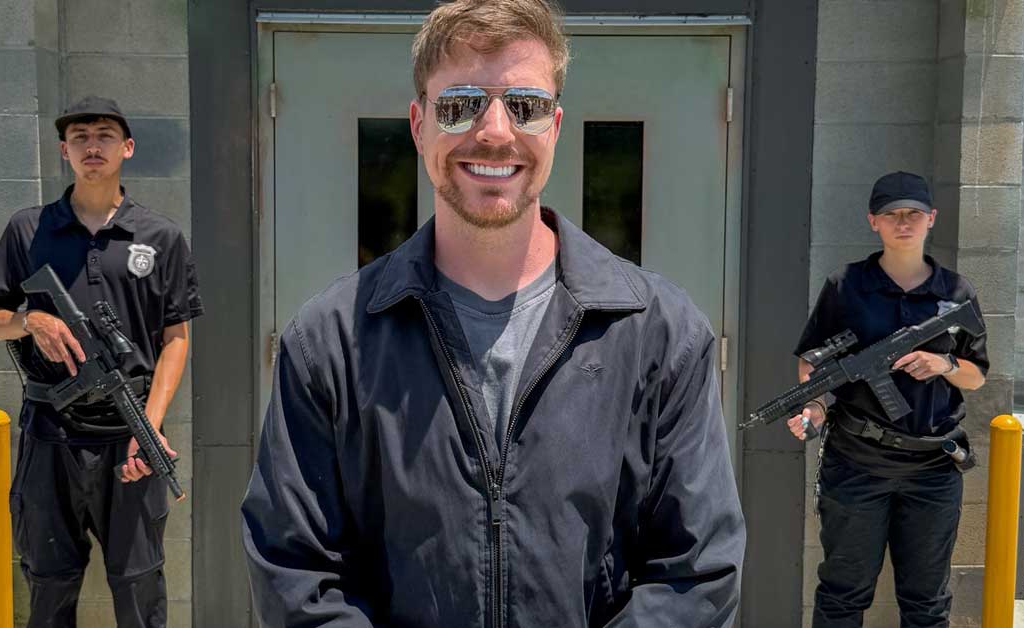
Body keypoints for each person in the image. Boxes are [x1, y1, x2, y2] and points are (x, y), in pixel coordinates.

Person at [241, 0, 745, 626]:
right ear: (418, 124)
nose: (495, 132)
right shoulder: (328, 342)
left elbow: (697, 572)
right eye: (459, 103)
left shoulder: (660, 333)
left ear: (555, 126)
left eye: (525, 105)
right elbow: (295, 574)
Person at [0, 96, 203, 628]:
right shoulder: (29, 229)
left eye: (103, 134)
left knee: (141, 583)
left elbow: (176, 339)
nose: (91, 145)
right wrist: (32, 320)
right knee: (49, 579)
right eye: (79, 137)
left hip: (129, 438)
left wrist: (151, 426)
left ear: (126, 148)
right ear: (64, 152)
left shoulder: (160, 236)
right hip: (49, 437)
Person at [787, 171, 989, 627]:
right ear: (872, 222)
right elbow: (812, 364)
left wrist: (944, 366)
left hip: (933, 470)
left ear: (931, 219)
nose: (903, 223)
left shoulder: (956, 293)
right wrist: (814, 407)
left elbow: (977, 377)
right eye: (891, 215)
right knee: (842, 595)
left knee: (927, 603)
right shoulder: (847, 286)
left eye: (913, 214)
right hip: (857, 464)